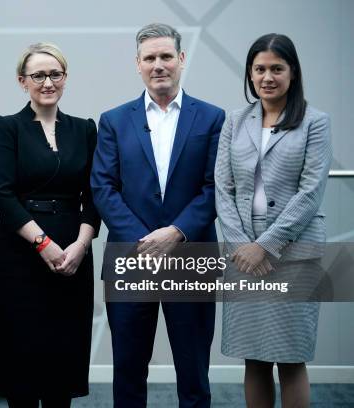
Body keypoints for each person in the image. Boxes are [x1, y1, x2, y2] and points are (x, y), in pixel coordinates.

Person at [91, 23, 225, 407]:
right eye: (149, 58)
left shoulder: (211, 118)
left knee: (194, 372)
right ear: (138, 64)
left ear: (181, 59)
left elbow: (215, 187)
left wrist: (175, 232)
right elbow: (104, 188)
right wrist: (146, 240)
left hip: (191, 258)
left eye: (166, 56)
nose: (158, 65)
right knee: (129, 373)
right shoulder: (114, 120)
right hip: (130, 260)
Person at [216, 33, 331, 408]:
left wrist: (265, 245)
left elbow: (310, 192)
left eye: (277, 69)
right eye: (260, 69)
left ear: (293, 73)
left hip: (294, 255)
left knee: (291, 356)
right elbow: (224, 188)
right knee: (255, 357)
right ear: (250, 74)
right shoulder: (234, 121)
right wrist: (241, 246)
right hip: (243, 257)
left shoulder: (315, 122)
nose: (268, 77)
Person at [0, 42, 100, 408]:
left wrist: (81, 246)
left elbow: (93, 196)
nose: (47, 82)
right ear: (23, 81)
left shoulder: (85, 129)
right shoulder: (5, 127)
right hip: (20, 253)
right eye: (38, 75)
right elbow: (2, 194)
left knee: (62, 362)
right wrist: (43, 243)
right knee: (21, 361)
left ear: (65, 78)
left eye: (55, 74)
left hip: (73, 252)